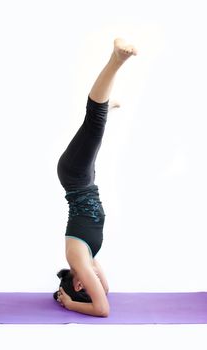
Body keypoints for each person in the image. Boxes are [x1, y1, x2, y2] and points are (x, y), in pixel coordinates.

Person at [54, 38, 137, 317]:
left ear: (78, 282)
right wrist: (79, 291)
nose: (95, 284)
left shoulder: (77, 258)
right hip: (85, 180)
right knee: (94, 128)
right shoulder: (88, 260)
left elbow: (102, 309)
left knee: (94, 121)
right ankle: (106, 105)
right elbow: (107, 291)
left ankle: (116, 59)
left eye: (86, 286)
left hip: (76, 177)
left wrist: (70, 302)